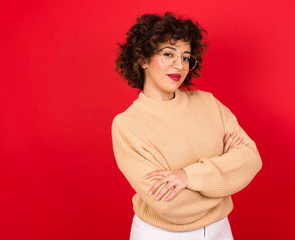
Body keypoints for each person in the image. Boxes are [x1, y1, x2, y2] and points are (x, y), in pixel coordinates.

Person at [111, 12, 262, 240]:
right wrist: (223, 179)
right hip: (162, 234)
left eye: (185, 57)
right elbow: (172, 206)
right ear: (142, 59)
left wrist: (188, 176)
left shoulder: (208, 103)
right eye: (168, 54)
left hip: (220, 229)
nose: (178, 65)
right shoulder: (128, 125)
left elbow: (251, 159)